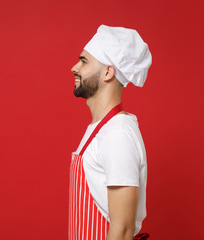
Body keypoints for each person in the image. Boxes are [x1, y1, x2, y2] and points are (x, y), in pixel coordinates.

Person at [69, 25, 152, 240]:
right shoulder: (100, 130)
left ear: (108, 72)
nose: (74, 68)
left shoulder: (118, 135)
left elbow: (122, 231)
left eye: (84, 61)